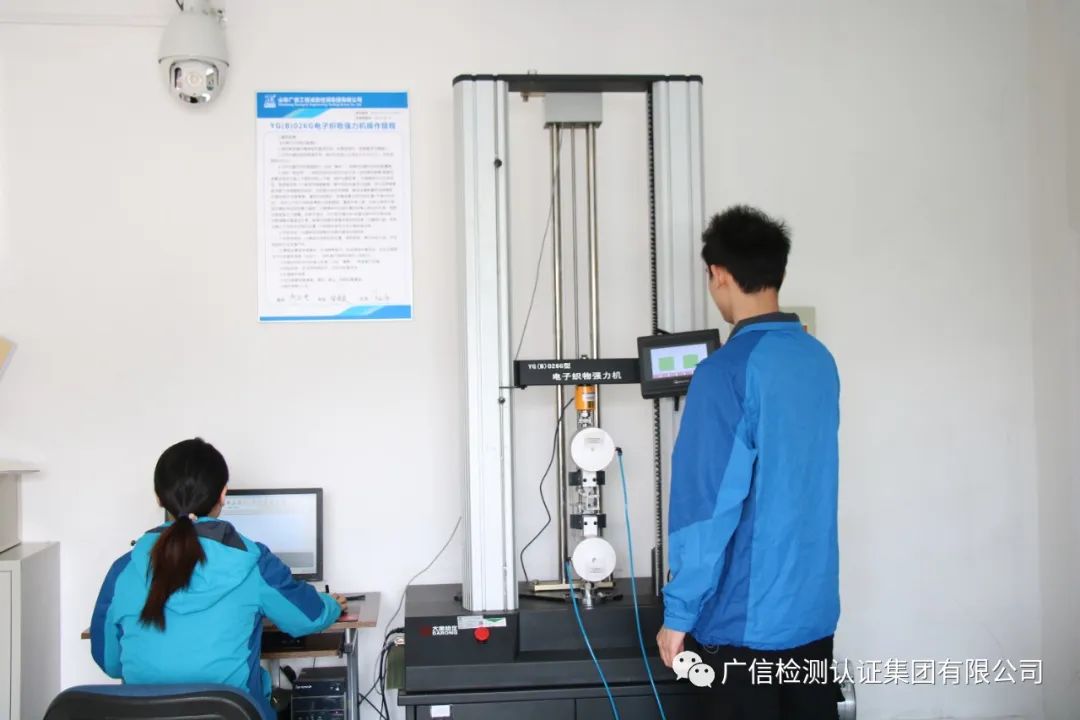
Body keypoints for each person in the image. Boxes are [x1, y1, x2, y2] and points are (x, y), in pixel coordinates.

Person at [656, 206, 841, 719]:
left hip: (743, 628)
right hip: (812, 616)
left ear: (718, 274)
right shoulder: (818, 360)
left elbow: (706, 507)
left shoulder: (724, 372)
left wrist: (678, 613)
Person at [91, 438, 347, 713]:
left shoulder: (123, 570)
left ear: (158, 497)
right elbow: (307, 617)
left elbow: (110, 662)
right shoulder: (253, 562)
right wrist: (332, 605)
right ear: (224, 494)